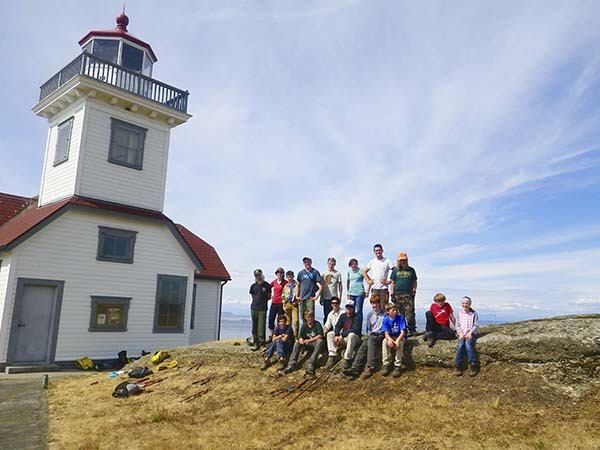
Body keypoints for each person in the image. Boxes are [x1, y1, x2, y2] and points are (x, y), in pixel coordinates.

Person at [343, 297, 385, 378]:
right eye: (372, 303)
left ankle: (370, 366)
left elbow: (385, 328)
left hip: (380, 335)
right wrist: (370, 334)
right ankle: (355, 368)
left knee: (371, 340)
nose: (374, 305)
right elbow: (368, 328)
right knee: (364, 345)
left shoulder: (384, 315)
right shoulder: (370, 314)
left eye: (375, 303)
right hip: (371, 335)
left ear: (379, 303)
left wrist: (377, 334)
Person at [284, 310, 325, 376]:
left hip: (315, 344)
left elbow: (320, 335)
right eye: (308, 317)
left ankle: (311, 363)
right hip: (307, 344)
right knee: (297, 343)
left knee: (320, 341)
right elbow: (300, 336)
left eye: (311, 317)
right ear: (305, 318)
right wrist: (301, 340)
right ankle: (292, 364)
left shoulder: (317, 324)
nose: (310, 319)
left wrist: (310, 340)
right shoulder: (304, 325)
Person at [326, 300, 361, 370]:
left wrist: (341, 335)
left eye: (351, 307)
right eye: (347, 307)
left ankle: (347, 358)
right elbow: (337, 326)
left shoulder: (357, 317)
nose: (349, 309)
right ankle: (332, 355)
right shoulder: (343, 316)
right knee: (330, 334)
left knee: (351, 335)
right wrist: (336, 335)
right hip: (344, 338)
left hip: (354, 339)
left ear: (354, 308)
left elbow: (355, 329)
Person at [390, 252, 418, 335]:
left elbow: (415, 281)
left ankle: (412, 329)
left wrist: (414, 289)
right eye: (401, 260)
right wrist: (392, 293)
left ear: (407, 260)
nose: (403, 261)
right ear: (398, 261)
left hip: (409, 294)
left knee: (410, 313)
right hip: (398, 294)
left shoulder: (411, 270)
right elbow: (392, 282)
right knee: (399, 313)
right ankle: (403, 330)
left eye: (404, 260)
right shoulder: (395, 270)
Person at [454, 296, 480, 377]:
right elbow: (457, 325)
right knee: (460, 346)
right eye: (463, 303)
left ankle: (473, 365)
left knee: (468, 345)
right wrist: (460, 333)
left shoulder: (474, 313)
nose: (465, 305)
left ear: (470, 304)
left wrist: (470, 332)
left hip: (470, 334)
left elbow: (476, 325)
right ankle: (457, 366)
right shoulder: (459, 313)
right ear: (461, 304)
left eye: (467, 303)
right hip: (461, 334)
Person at [381, 303, 407, 378]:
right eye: (393, 310)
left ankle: (397, 365)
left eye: (395, 310)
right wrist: (389, 340)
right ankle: (385, 364)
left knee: (400, 344)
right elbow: (386, 333)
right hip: (391, 336)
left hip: (399, 336)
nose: (395, 312)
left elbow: (403, 332)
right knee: (384, 342)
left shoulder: (400, 318)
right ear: (388, 312)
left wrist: (398, 340)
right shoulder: (385, 319)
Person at [364, 244, 393, 310]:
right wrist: (368, 280)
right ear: (374, 252)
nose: (378, 252)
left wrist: (389, 281)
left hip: (383, 288)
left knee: (383, 308)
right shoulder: (372, 261)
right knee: (375, 308)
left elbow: (394, 271)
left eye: (379, 250)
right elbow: (364, 272)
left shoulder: (387, 261)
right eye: (376, 250)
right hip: (374, 288)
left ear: (382, 251)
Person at [249, 269, 272, 351]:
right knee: (254, 326)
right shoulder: (253, 286)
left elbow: (269, 297)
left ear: (262, 275)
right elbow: (253, 296)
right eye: (256, 275)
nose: (258, 276)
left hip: (262, 309)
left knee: (261, 326)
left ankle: (262, 344)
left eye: (259, 275)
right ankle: (256, 343)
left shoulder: (267, 285)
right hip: (254, 308)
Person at [296, 257, 323, 323]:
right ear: (303, 263)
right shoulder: (300, 273)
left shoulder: (315, 272)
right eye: (305, 262)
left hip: (310, 298)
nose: (307, 263)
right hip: (302, 298)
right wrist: (297, 295)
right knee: (302, 316)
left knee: (310, 316)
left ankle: (311, 331)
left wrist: (316, 297)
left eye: (308, 262)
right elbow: (298, 285)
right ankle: (305, 331)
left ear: (311, 262)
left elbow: (322, 285)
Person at [321, 257, 343, 322]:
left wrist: (340, 297)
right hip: (325, 297)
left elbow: (340, 286)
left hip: (334, 297)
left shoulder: (337, 274)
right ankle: (326, 330)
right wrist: (321, 297)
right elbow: (322, 286)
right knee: (326, 315)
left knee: (335, 314)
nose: (331, 264)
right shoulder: (324, 274)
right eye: (329, 263)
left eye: (332, 263)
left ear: (335, 264)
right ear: (327, 263)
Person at [268, 268, 287, 342]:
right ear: (276, 274)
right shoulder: (274, 282)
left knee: (280, 320)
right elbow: (268, 288)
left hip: (281, 303)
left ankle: (279, 335)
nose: (279, 274)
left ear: (283, 274)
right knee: (271, 319)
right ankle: (272, 335)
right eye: (278, 273)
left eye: (281, 273)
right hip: (274, 302)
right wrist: (269, 296)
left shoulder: (285, 282)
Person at [346, 258, 366, 326]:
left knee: (359, 311)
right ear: (350, 265)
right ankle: (351, 326)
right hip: (351, 293)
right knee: (351, 310)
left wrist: (367, 290)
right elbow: (348, 282)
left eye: (355, 264)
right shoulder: (349, 272)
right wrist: (348, 292)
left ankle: (358, 328)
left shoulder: (361, 271)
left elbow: (367, 279)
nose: (354, 265)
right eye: (352, 264)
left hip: (359, 293)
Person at [281, 270, 300, 338]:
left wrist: (297, 301)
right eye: (288, 277)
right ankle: (288, 337)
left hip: (294, 304)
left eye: (291, 277)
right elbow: (283, 296)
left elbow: (300, 295)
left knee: (296, 321)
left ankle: (295, 337)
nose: (289, 278)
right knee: (288, 322)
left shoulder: (297, 285)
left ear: (293, 276)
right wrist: (283, 305)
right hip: (287, 304)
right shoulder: (286, 286)